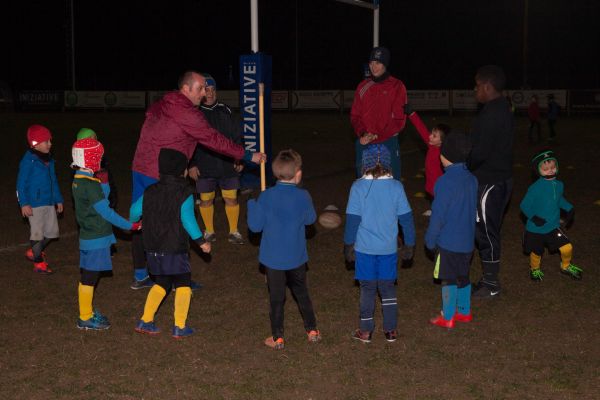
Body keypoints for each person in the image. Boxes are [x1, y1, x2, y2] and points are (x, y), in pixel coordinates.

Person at [130, 71, 265, 289]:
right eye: (200, 88)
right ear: (186, 89)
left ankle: (140, 274)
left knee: (141, 219)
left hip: (140, 166)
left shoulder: (165, 102)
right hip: (163, 173)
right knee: (175, 221)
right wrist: (248, 155)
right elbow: (212, 139)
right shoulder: (185, 112)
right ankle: (176, 278)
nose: (204, 93)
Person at [131, 148, 211, 339]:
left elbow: (134, 211)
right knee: (183, 282)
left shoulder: (150, 191)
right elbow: (188, 220)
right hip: (174, 247)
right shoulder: (184, 192)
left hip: (152, 247)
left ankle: (146, 320)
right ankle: (179, 326)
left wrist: (137, 223)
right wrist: (201, 242)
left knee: (162, 282)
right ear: (182, 171)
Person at [247, 149, 321, 350]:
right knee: (302, 293)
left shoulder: (266, 197)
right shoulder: (303, 195)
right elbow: (311, 219)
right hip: (296, 257)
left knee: (277, 298)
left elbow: (255, 227)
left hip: (273, 260)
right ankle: (312, 330)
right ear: (297, 174)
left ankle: (278, 337)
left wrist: (253, 204)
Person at [343, 144, 415, 343]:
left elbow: (352, 220)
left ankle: (365, 331)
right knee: (387, 288)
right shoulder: (396, 187)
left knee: (367, 289)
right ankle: (390, 330)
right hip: (387, 250)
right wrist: (409, 244)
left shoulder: (357, 187)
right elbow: (407, 219)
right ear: (388, 164)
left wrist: (348, 245)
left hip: (364, 249)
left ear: (363, 164)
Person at [71, 138, 141, 331]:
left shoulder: (79, 179)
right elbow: (106, 211)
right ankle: (85, 317)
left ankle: (86, 312)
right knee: (90, 277)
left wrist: (104, 182)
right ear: (91, 159)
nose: (101, 160)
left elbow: (101, 196)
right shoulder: (90, 185)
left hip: (87, 235)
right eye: (98, 157)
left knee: (88, 276)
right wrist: (130, 226)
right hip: (96, 238)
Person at [468, 65, 514, 298]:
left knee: (486, 231)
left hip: (490, 182)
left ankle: (491, 283)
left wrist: (464, 165)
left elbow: (480, 152)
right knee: (488, 229)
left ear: (487, 86)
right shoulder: (501, 108)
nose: (475, 90)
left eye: (477, 86)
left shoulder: (492, 114)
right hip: (500, 179)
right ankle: (489, 280)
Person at [424, 131, 478, 328]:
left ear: (443, 155)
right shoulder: (472, 179)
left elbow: (438, 216)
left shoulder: (445, 182)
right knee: (463, 276)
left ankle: (447, 317)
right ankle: (464, 311)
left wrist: (430, 240)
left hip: (448, 243)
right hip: (467, 243)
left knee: (448, 280)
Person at [188, 74, 245, 245]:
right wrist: (191, 164)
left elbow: (237, 136)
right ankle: (209, 231)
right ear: (201, 92)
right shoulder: (195, 114)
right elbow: (189, 141)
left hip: (227, 165)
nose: (210, 93)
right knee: (205, 200)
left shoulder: (226, 110)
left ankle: (234, 231)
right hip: (205, 166)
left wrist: (239, 158)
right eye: (206, 90)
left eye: (213, 90)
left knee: (231, 199)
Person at [520, 150, 582, 281]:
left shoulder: (559, 185)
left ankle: (565, 266)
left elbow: (558, 199)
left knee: (567, 247)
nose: (551, 171)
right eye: (546, 169)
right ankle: (534, 269)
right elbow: (524, 205)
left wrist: (569, 208)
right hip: (536, 228)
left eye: (553, 167)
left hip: (553, 226)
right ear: (538, 170)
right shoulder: (535, 188)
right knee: (537, 252)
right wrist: (534, 217)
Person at [350, 46, 408, 180]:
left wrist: (378, 135)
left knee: (392, 184)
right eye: (371, 63)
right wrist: (363, 133)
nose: (374, 67)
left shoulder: (397, 86)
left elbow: (399, 120)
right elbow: (355, 116)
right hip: (366, 142)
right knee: (364, 185)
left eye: (378, 63)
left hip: (388, 142)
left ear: (385, 64)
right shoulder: (362, 86)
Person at [16, 124, 64, 274]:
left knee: (52, 233)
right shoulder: (28, 161)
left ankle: (34, 252)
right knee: (37, 234)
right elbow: (21, 184)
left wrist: (58, 199)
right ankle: (38, 263)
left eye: (50, 140)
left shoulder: (48, 159)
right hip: (34, 204)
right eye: (46, 141)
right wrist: (24, 203)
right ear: (35, 144)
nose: (50, 144)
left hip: (49, 202)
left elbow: (53, 180)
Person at [404, 104, 450, 216]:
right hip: (431, 182)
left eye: (434, 136)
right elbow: (421, 128)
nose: (430, 137)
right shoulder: (431, 145)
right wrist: (412, 114)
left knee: (440, 200)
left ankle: (441, 213)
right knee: (432, 196)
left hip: (440, 185)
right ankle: (434, 209)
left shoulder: (444, 153)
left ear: (441, 141)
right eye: (431, 134)